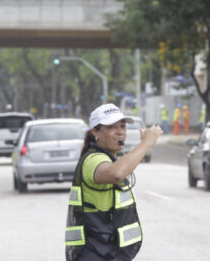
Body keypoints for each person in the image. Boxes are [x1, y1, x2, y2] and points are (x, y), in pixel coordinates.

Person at [65, 103, 162, 261]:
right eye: (111, 127)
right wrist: (146, 143)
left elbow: (121, 169)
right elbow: (116, 173)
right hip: (94, 253)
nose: (120, 132)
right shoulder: (92, 160)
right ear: (95, 131)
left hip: (108, 252)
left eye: (122, 127)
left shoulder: (109, 159)